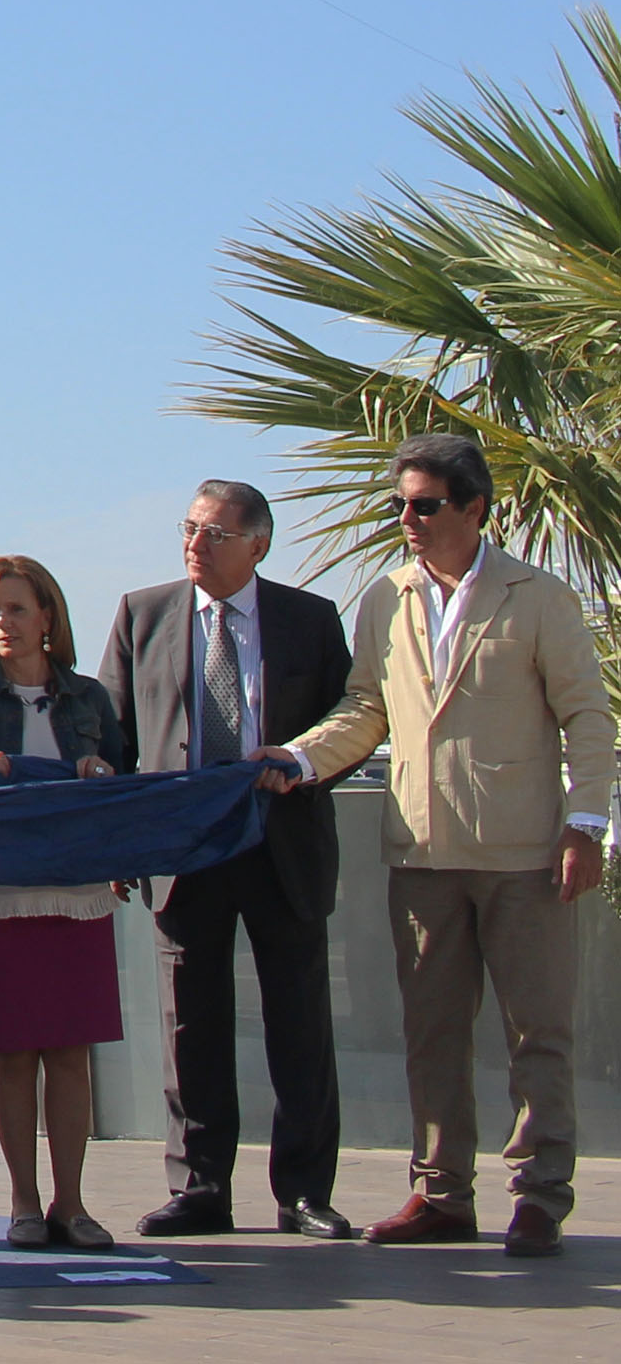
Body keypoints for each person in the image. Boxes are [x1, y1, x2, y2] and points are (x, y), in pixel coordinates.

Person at [269, 432, 615, 1257]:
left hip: (524, 854)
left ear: (473, 507)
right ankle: (440, 1193)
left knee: (538, 1032)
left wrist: (586, 823)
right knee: (431, 1034)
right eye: (399, 505)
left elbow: (589, 717)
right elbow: (363, 710)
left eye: (424, 504)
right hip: (420, 854)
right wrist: (296, 757)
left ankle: (538, 1193)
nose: (408, 519)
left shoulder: (536, 595)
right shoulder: (384, 598)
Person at [98, 480, 354, 1239]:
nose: (194, 543)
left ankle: (303, 1190)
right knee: (191, 1025)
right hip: (184, 851)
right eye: (189, 528)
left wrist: (299, 760)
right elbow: (111, 737)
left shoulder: (309, 620)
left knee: (299, 1023)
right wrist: (122, 838)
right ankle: (199, 1185)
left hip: (282, 846)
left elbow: (348, 723)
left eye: (214, 532)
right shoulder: (142, 613)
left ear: (256, 545)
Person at [0, 554, 129, 1251]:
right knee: (13, 1054)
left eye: (14, 608)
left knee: (69, 1052)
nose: (2, 624)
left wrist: (98, 775)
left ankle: (70, 1204)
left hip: (72, 891)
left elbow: (126, 787)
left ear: (47, 615)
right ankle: (22, 1202)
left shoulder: (90, 700)